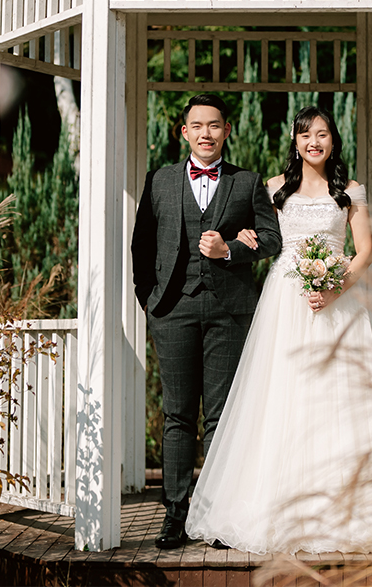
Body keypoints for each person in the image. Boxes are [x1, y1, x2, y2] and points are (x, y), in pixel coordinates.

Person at [186, 106, 372, 555]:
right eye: (306, 135)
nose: (314, 143)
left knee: (343, 403)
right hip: (284, 304)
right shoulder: (273, 189)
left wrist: (335, 287)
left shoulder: (350, 192)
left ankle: (350, 509)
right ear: (295, 140)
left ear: (333, 141)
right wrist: (244, 238)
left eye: (322, 135)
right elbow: (262, 238)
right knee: (284, 399)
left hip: (339, 307)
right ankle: (282, 507)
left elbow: (364, 252)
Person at [131, 94, 283, 550]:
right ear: (184, 132)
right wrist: (149, 301)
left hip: (229, 312)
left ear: (227, 130)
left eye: (214, 125)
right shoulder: (159, 181)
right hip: (171, 311)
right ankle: (174, 515)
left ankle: (217, 515)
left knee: (220, 416)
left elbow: (273, 238)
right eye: (196, 125)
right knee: (177, 416)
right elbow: (141, 245)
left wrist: (232, 250)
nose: (205, 133)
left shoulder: (247, 182)